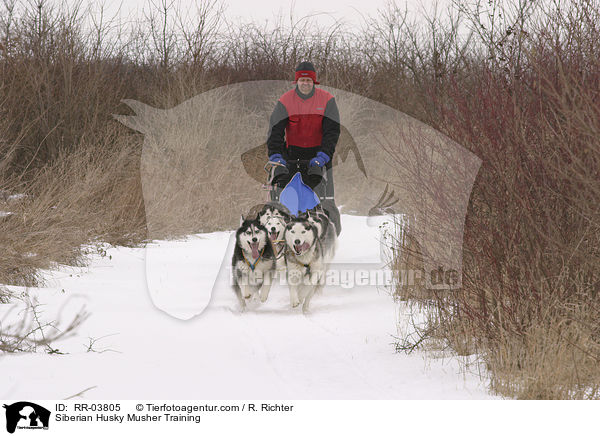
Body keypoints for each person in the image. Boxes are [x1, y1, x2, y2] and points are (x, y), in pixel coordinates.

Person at [267, 61, 342, 235]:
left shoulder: (327, 100)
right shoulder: (285, 101)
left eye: (309, 80)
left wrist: (322, 157)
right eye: (302, 80)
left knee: (324, 198)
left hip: (319, 155)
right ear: (297, 82)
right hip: (291, 155)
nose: (305, 83)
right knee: (283, 194)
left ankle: (327, 232)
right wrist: (277, 157)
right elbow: (275, 132)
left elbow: (332, 132)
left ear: (314, 82)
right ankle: (283, 230)